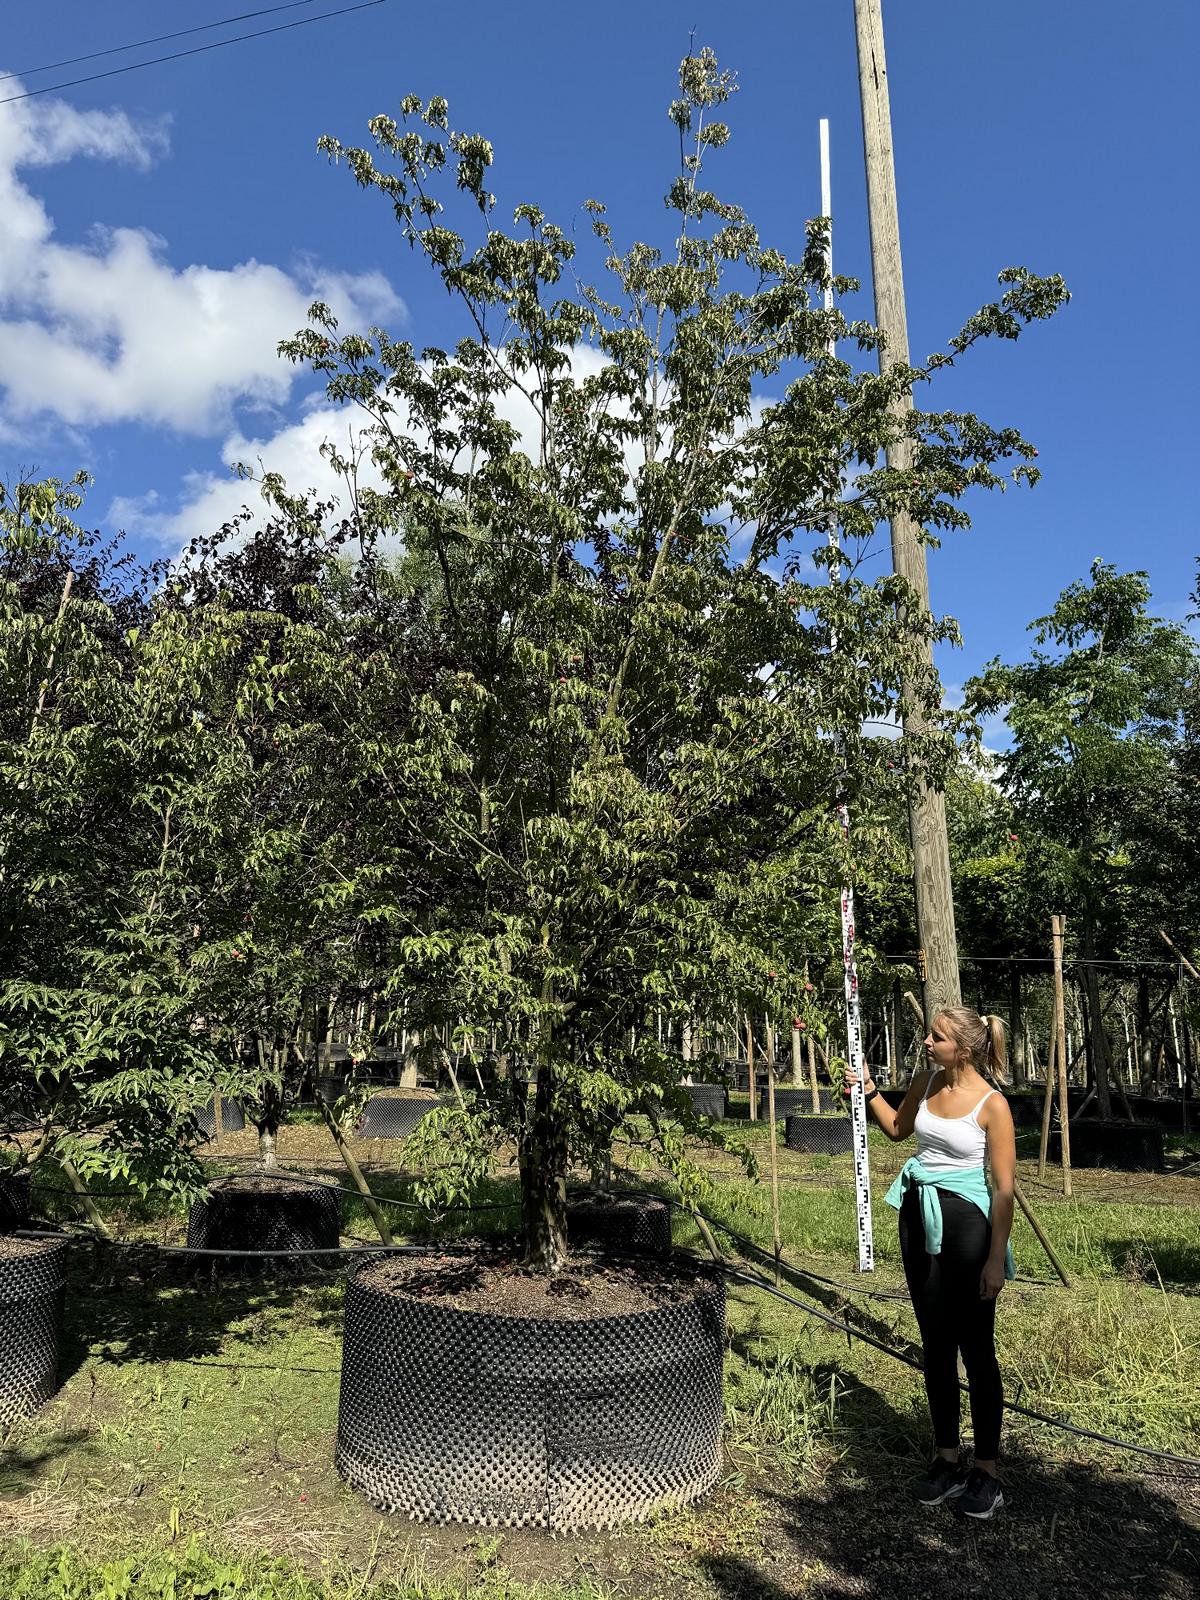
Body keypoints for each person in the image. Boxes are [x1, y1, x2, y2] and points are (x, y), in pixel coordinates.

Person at [844, 1007, 1016, 1520]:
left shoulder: (992, 1105)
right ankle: (946, 1459)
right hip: (919, 1218)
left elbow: (1004, 1190)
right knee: (936, 1344)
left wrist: (993, 1261)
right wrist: (870, 1089)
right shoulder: (924, 1079)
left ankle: (985, 1471)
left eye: (936, 1037)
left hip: (967, 1227)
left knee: (976, 1348)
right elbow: (897, 1128)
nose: (926, 1041)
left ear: (962, 1049)